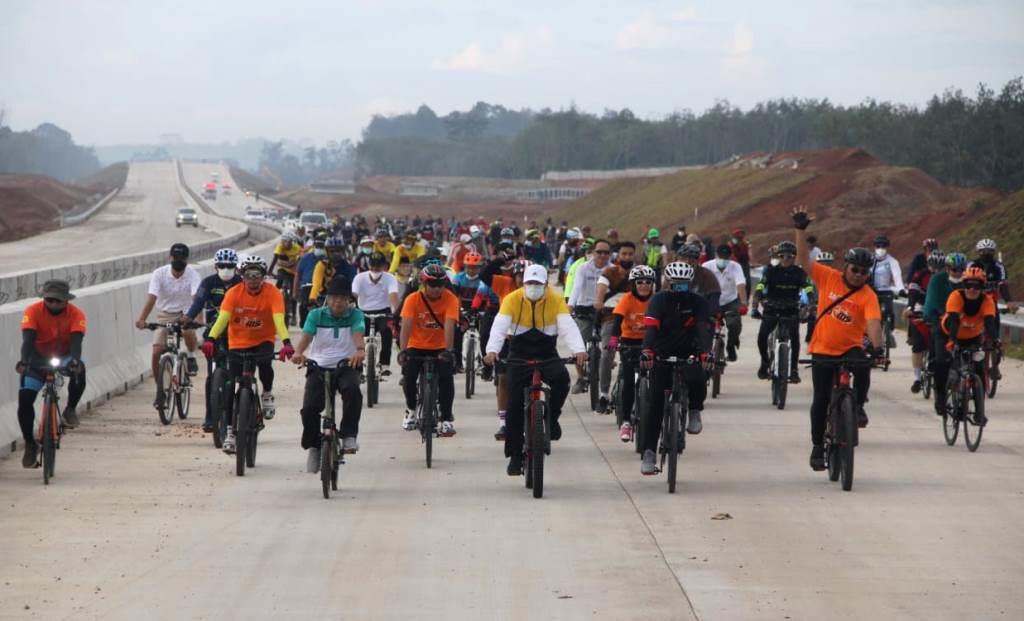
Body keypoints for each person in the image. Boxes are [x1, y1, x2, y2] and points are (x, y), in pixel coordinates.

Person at [793, 207, 884, 471]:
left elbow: (873, 322)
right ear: (846, 267)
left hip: (850, 348)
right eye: (855, 269)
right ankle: (817, 446)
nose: (858, 275)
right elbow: (803, 259)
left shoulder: (868, 295)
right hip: (823, 348)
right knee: (821, 399)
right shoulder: (827, 277)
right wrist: (800, 230)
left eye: (864, 272)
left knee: (864, 369)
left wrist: (877, 347)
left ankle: (859, 405)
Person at [484, 264, 586, 476]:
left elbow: (567, 326)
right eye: (530, 283)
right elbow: (499, 326)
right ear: (523, 283)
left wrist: (579, 350)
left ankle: (552, 418)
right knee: (513, 405)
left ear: (546, 284)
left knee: (562, 380)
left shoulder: (555, 299)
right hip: (519, 354)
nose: (533, 287)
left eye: (538, 284)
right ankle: (514, 456)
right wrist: (492, 351)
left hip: (546, 352)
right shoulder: (512, 299)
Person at [201, 255, 294, 454]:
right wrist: (210, 338)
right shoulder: (234, 293)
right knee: (231, 386)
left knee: (266, 364)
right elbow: (223, 319)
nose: (253, 280)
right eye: (249, 275)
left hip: (263, 340)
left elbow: (279, 319)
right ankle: (230, 432)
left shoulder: (273, 293)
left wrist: (286, 342)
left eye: (257, 275)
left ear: (263, 277)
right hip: (238, 342)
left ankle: (267, 393)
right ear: (242, 276)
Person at [638, 262, 712, 476]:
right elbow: (651, 329)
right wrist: (647, 351)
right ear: (667, 283)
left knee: (698, 377)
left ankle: (695, 410)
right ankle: (649, 452)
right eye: (675, 285)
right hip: (662, 351)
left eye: (683, 285)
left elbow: (703, 329)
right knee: (655, 403)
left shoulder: (698, 302)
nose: (679, 289)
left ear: (690, 284)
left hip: (689, 350)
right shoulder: (658, 300)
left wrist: (705, 352)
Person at [291, 277, 366, 471]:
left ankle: (349, 435)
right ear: (327, 299)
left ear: (349, 300)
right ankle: (314, 447)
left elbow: (358, 334)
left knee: (352, 391)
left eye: (343, 298)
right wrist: (298, 353)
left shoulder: (356, 315)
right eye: (334, 298)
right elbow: (306, 336)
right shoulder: (315, 315)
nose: (338, 302)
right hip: (318, 366)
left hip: (346, 364)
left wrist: (359, 350)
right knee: (309, 409)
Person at [16, 281, 87, 467]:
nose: (54, 304)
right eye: (49, 300)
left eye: (58, 301)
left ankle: (70, 409)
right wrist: (24, 362)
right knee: (25, 399)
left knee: (80, 369)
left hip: (64, 355)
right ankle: (30, 444)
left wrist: (75, 361)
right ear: (44, 298)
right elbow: (27, 340)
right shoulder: (32, 311)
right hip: (37, 357)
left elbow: (76, 343)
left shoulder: (76, 314)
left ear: (66, 301)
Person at [135, 243, 202, 412]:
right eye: (176, 258)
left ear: (187, 259)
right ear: (170, 258)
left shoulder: (193, 275)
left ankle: (191, 356)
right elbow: (152, 298)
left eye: (182, 258)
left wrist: (198, 319)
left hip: (187, 312)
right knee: (157, 351)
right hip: (165, 314)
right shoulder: (159, 274)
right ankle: (161, 391)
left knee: (188, 331)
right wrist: (142, 319)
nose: (179, 261)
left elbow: (197, 299)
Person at [398, 264, 459, 437]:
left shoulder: (451, 299)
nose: (436, 288)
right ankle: (411, 409)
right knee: (409, 378)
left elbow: (449, 325)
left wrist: (448, 350)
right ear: (424, 284)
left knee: (446, 379)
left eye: (440, 284)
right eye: (432, 284)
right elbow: (406, 326)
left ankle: (446, 418)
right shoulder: (412, 299)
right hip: (416, 345)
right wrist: (403, 351)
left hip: (440, 346)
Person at [185, 248, 242, 433]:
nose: (226, 269)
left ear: (236, 267)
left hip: (238, 333)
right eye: (222, 266)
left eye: (230, 266)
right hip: (213, 332)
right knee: (211, 376)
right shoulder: (208, 282)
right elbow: (198, 302)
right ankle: (210, 416)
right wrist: (188, 317)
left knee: (240, 373)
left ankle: (242, 407)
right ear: (216, 267)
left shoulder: (242, 283)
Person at [935, 266, 997, 425]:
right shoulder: (956, 296)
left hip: (973, 337)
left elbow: (990, 322)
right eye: (969, 285)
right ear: (964, 285)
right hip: (948, 334)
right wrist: (952, 341)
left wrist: (995, 341)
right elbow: (954, 321)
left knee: (979, 370)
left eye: (977, 286)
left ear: (982, 287)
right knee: (942, 363)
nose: (972, 289)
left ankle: (979, 412)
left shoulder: (987, 300)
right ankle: (940, 397)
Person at [607, 265, 656, 442]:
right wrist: (614, 339)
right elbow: (617, 321)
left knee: (656, 379)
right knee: (628, 380)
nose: (644, 285)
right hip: (630, 343)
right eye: (640, 282)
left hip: (651, 343)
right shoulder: (627, 299)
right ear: (633, 284)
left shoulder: (656, 300)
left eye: (648, 282)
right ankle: (626, 422)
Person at [750, 240, 808, 382]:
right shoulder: (770, 271)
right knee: (762, 336)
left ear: (794, 257)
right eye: (782, 256)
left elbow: (809, 290)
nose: (786, 259)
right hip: (772, 309)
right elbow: (760, 288)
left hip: (791, 310)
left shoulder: (800, 273)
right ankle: (765, 362)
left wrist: (810, 307)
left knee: (795, 338)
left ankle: (794, 370)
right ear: (779, 257)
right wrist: (754, 307)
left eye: (789, 256)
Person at [593, 241, 635, 412]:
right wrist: (599, 300)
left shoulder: (640, 273)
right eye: (624, 254)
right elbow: (601, 288)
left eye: (630, 254)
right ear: (618, 256)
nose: (627, 257)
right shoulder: (609, 272)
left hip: (634, 319)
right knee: (607, 353)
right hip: (611, 317)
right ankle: (604, 394)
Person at [923, 252, 966, 413]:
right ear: (947, 269)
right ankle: (940, 396)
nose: (958, 273)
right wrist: (941, 315)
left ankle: (975, 396)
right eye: (954, 269)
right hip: (940, 320)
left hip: (963, 323)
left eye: (961, 269)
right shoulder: (938, 280)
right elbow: (933, 301)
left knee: (976, 359)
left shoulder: (968, 281)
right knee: (941, 361)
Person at [568, 239, 612, 397]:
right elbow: (576, 287)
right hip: (584, 308)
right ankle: (581, 377)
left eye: (606, 253)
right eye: (599, 252)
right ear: (593, 253)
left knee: (608, 343)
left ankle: (607, 359)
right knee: (578, 346)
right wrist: (570, 305)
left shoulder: (613, 269)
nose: (602, 255)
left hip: (605, 310)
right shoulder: (583, 268)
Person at [351, 252, 400, 374]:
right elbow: (354, 295)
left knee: (387, 331)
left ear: (384, 266)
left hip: (383, 312)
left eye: (378, 266)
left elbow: (393, 296)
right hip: (363, 312)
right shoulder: (359, 278)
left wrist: (398, 313)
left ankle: (384, 364)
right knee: (356, 334)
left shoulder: (390, 278)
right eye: (372, 266)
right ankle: (357, 365)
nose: (374, 269)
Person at [905, 250, 944, 394]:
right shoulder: (920, 275)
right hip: (921, 306)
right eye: (933, 266)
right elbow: (913, 293)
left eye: (940, 267)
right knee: (918, 345)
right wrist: (910, 307)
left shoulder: (946, 278)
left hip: (939, 308)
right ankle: (917, 379)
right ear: (928, 265)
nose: (936, 270)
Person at [702, 244, 748, 361]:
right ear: (715, 255)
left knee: (734, 324)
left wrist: (743, 303)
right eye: (720, 257)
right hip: (711, 300)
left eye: (726, 257)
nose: (723, 260)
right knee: (704, 325)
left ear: (730, 257)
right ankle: (704, 350)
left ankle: (731, 346)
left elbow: (740, 285)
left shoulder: (735, 267)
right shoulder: (706, 266)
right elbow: (700, 285)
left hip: (730, 301)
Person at [971, 238, 1017, 344]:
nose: (986, 254)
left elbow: (1003, 285)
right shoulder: (972, 265)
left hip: (990, 298)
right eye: (983, 251)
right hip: (974, 297)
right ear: (978, 252)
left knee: (994, 317)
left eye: (989, 251)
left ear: (994, 252)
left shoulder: (999, 266)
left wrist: (1008, 301)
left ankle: (995, 340)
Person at [870, 235, 905, 348]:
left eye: (883, 246)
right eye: (878, 246)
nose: (881, 248)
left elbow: (897, 276)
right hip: (871, 291)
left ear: (887, 247)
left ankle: (889, 332)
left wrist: (900, 289)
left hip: (886, 290)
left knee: (889, 311)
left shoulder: (892, 261)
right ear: (874, 247)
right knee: (873, 314)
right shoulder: (870, 260)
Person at [309, 237, 356, 305]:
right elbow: (317, 283)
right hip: (325, 297)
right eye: (332, 251)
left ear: (342, 251)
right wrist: (313, 297)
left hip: (344, 298)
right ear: (327, 252)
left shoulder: (349, 266)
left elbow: (353, 283)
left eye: (338, 251)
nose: (335, 253)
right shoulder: (322, 265)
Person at [294, 235, 325, 327]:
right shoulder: (306, 258)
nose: (319, 248)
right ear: (314, 245)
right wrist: (295, 291)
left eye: (321, 246)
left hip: (321, 287)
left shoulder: (326, 259)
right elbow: (298, 274)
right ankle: (303, 323)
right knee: (304, 305)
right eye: (317, 245)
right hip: (306, 285)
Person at [268, 231, 302, 297]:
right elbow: (275, 258)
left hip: (293, 270)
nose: (285, 243)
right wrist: (270, 271)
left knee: (293, 290)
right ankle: (274, 296)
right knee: (280, 280)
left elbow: (300, 260)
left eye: (288, 242)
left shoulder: (297, 248)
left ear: (291, 242)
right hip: (282, 268)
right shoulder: (280, 245)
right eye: (284, 241)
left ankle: (292, 301)